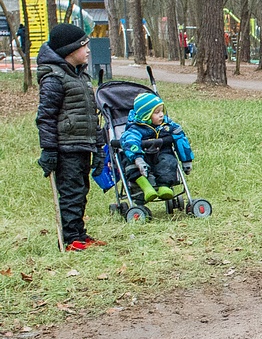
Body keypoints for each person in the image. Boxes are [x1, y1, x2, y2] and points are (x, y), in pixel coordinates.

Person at [35, 23, 104, 251]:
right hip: (66, 146)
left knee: (81, 191)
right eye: (84, 45)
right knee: (71, 193)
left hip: (84, 143)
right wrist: (49, 150)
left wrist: (99, 143)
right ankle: (71, 238)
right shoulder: (54, 78)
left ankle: (79, 234)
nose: (88, 50)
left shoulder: (81, 76)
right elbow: (46, 116)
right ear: (70, 50)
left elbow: (91, 113)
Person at [121, 92, 194, 202]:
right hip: (142, 157)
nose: (161, 115)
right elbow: (130, 141)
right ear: (146, 115)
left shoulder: (167, 126)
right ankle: (146, 187)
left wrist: (186, 160)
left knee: (169, 162)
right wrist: (137, 158)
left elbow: (180, 138)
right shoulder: (135, 129)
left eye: (162, 111)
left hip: (162, 152)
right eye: (156, 112)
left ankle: (164, 187)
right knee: (129, 164)